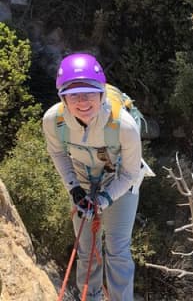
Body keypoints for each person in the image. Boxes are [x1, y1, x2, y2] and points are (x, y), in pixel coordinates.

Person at [42, 53, 142, 301]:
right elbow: (57, 153)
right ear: (63, 97)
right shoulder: (54, 121)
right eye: (73, 94)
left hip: (119, 181)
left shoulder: (124, 125)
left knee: (117, 250)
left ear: (101, 94)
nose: (82, 101)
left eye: (89, 93)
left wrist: (105, 200)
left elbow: (129, 172)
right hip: (82, 181)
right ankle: (91, 297)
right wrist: (74, 189)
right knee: (86, 249)